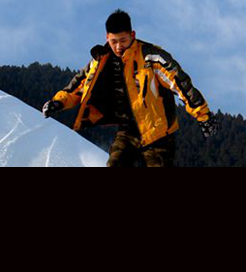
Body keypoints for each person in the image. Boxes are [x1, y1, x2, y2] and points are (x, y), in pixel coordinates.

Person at [42, 9, 218, 167]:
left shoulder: (151, 57)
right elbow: (78, 87)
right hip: (128, 130)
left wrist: (203, 115)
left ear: (132, 35)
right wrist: (57, 103)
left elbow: (180, 83)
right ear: (106, 38)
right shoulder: (101, 61)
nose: (118, 46)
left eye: (123, 40)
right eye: (113, 41)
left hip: (158, 133)